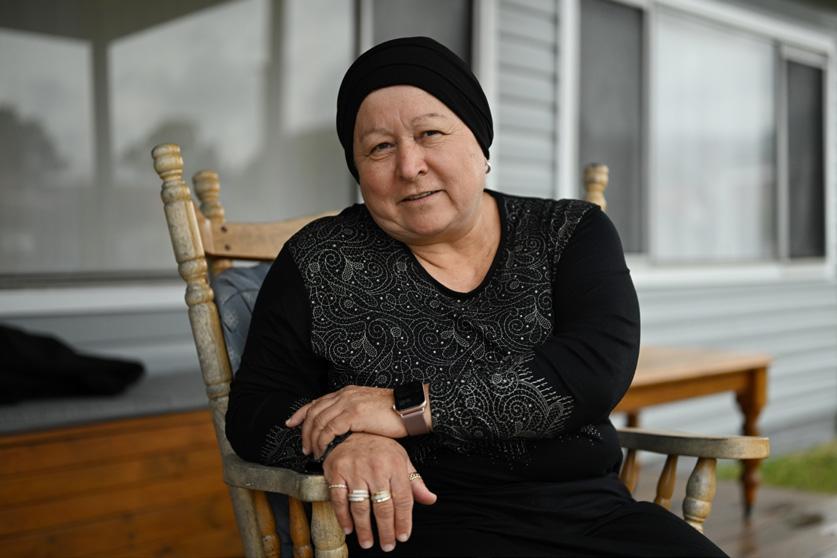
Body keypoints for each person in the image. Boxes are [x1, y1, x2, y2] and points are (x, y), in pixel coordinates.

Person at [226, 36, 727, 557]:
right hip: (417, 528)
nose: (409, 166)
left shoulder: (567, 232)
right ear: (357, 168)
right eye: (379, 147)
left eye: (430, 133)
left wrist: (404, 409)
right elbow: (255, 409)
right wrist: (344, 440)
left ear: (479, 142)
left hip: (588, 516)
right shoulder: (319, 258)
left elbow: (594, 369)